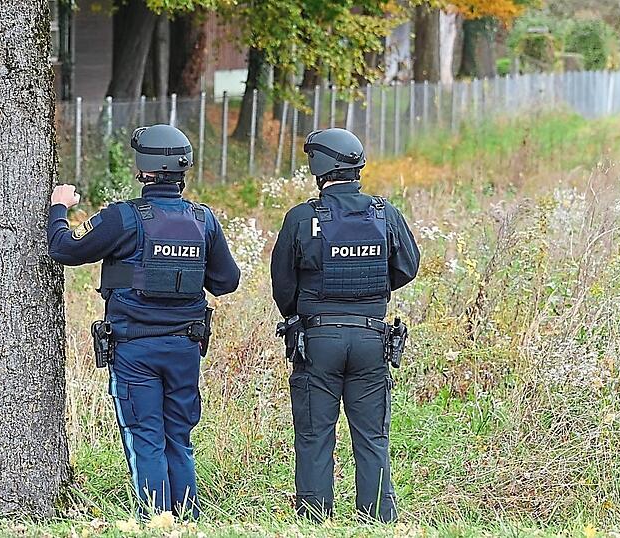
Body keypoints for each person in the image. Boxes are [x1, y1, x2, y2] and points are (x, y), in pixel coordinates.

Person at [47, 124, 240, 518]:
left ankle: (155, 521)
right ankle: (187, 521)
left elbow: (64, 249)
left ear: (143, 168)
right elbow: (227, 281)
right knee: (178, 439)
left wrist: (58, 208)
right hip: (185, 349)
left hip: (135, 351)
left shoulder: (123, 218)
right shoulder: (204, 220)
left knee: (145, 439)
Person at [270, 128, 420, 523]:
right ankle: (377, 518)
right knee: (372, 437)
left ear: (318, 167)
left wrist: (308, 310)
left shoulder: (302, 218)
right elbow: (407, 267)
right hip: (372, 336)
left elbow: (282, 285)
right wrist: (371, 294)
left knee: (315, 435)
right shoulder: (384, 213)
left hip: (317, 338)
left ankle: (314, 518)